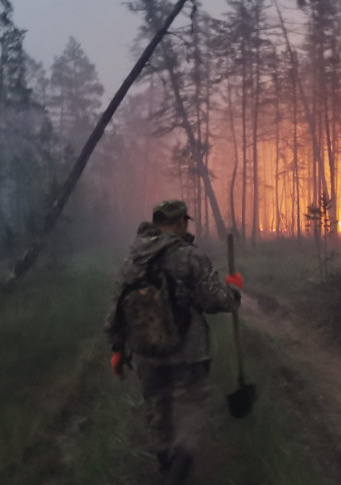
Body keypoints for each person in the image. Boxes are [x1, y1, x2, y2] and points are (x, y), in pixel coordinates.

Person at [104, 200, 243, 483]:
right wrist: (234, 291)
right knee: (191, 416)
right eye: (185, 222)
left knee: (158, 415)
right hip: (188, 354)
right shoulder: (188, 257)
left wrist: (118, 349)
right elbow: (214, 300)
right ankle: (175, 477)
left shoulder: (132, 259)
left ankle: (167, 469)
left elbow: (117, 308)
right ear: (180, 222)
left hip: (146, 355)